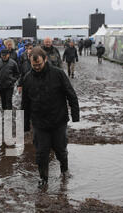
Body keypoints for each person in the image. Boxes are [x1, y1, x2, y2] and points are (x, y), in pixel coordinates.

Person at [21, 47, 80, 189]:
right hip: (39, 122)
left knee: (60, 149)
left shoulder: (58, 74)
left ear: (45, 59)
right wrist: (24, 124)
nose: (36, 68)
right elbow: (25, 103)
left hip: (58, 120)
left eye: (39, 65)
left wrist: (75, 115)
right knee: (41, 153)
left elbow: (71, 94)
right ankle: (43, 178)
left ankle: (64, 170)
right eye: (34, 65)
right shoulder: (28, 78)